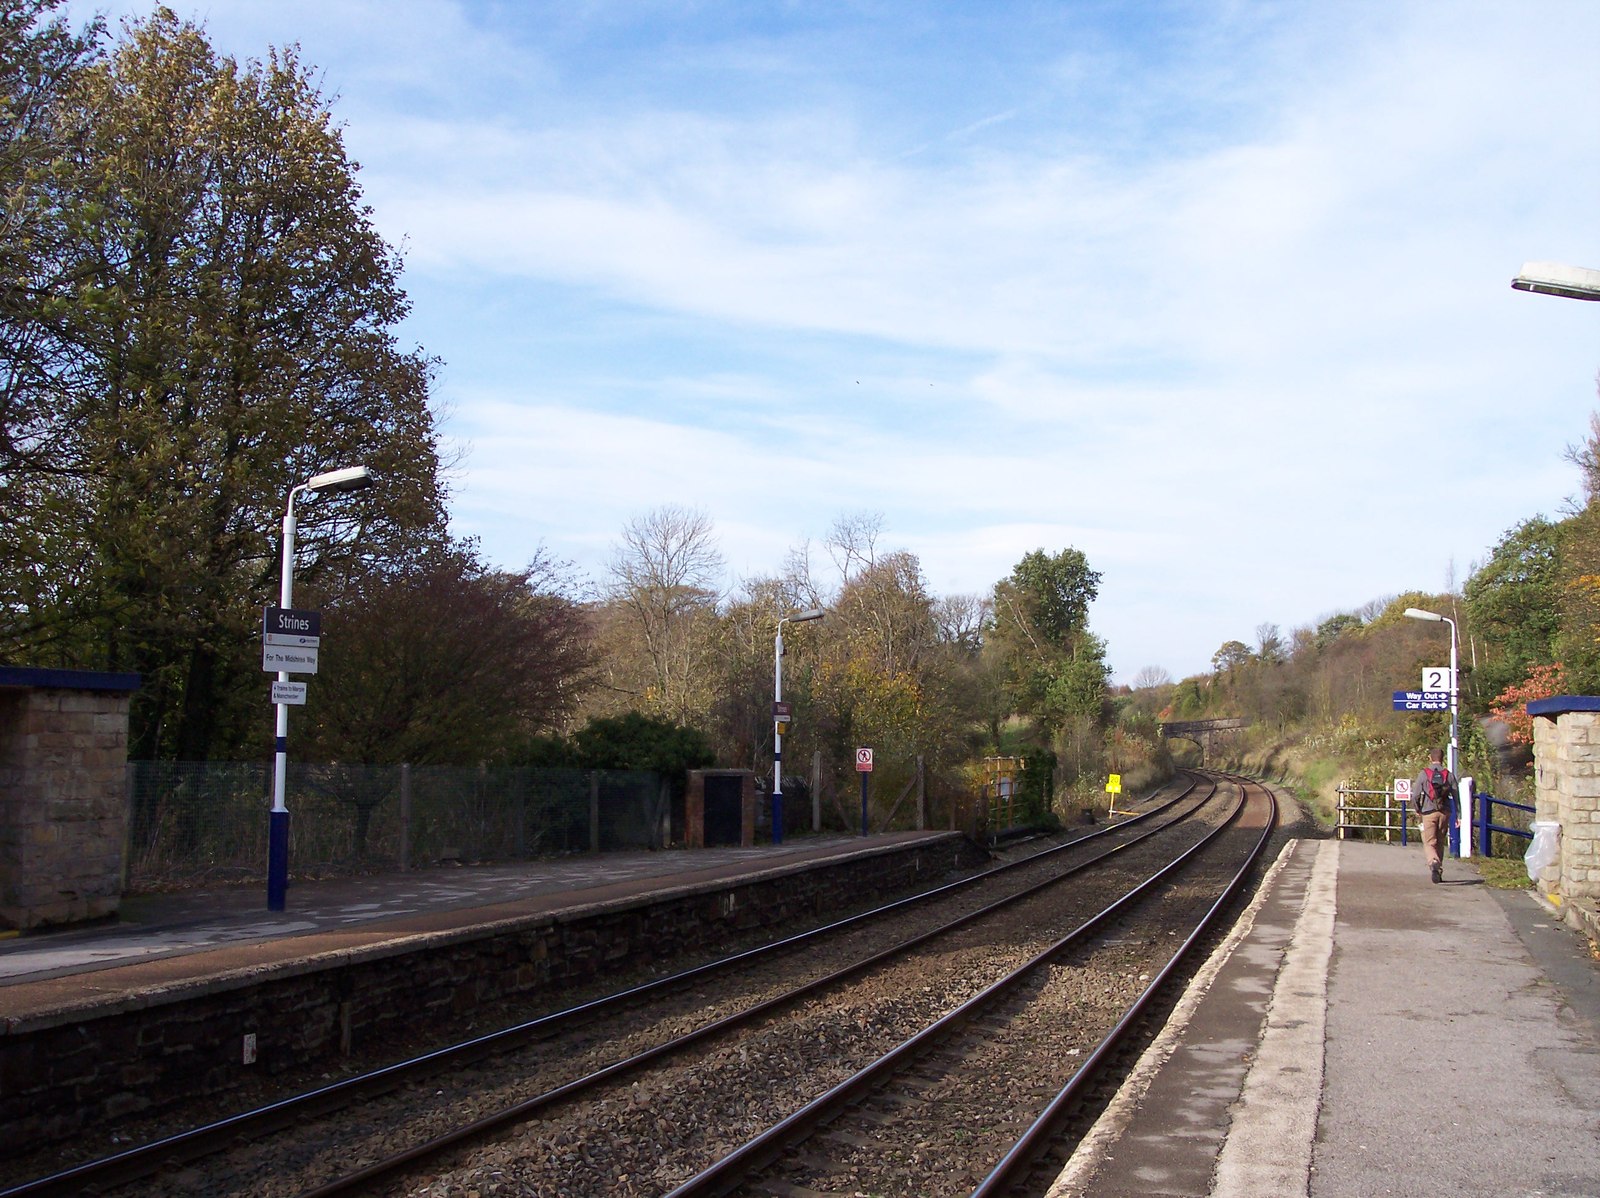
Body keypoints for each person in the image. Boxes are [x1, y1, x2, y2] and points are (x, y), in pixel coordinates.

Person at [1412, 748, 1457, 884]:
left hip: (1428, 811)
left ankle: (1434, 862)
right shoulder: (1448, 775)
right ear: (1442, 758)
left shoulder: (1424, 774)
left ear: (1430, 758)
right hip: (1445, 812)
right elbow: (1456, 796)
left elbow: (1415, 795)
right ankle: (1439, 871)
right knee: (1440, 841)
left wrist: (1418, 809)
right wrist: (1458, 815)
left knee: (1429, 842)